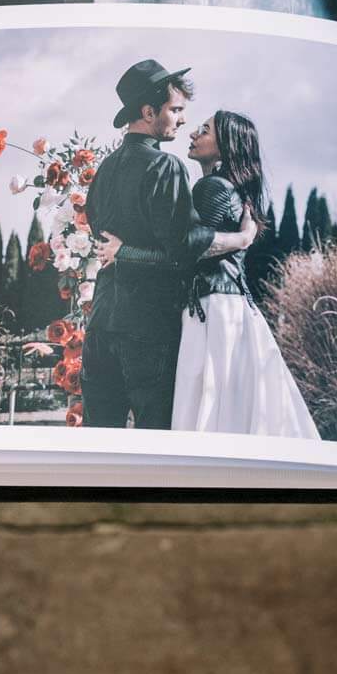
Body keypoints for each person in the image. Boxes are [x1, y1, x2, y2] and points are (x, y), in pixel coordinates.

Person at [92, 110, 320, 439]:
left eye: (205, 130)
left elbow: (184, 254)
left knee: (208, 410)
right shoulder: (225, 186)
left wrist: (124, 252)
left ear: (226, 145)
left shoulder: (212, 188)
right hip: (223, 306)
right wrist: (240, 240)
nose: (193, 133)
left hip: (211, 311)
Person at [79, 61, 257, 430]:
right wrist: (241, 238)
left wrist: (122, 252)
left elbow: (101, 242)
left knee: (99, 446)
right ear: (148, 113)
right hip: (148, 330)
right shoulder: (165, 167)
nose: (181, 120)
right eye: (175, 110)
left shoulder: (103, 172)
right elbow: (185, 249)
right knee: (154, 450)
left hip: (99, 329)